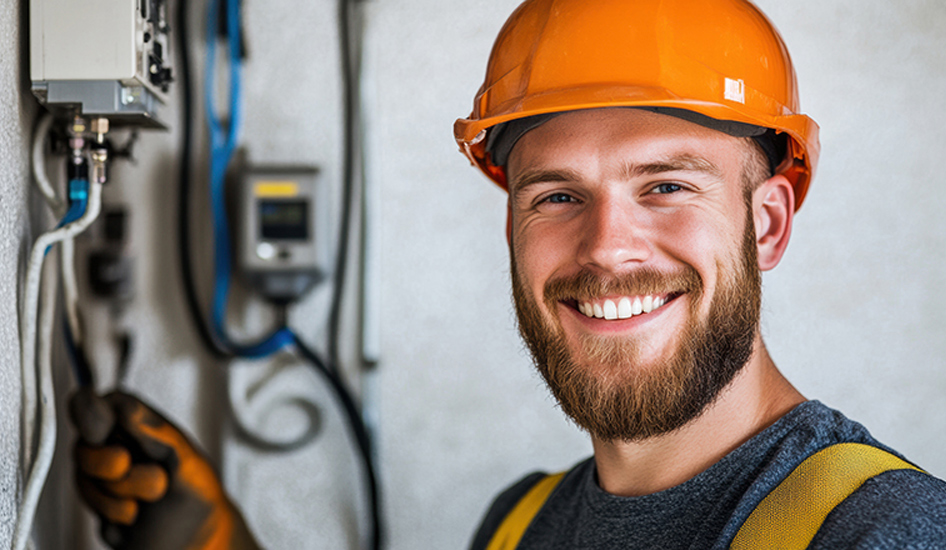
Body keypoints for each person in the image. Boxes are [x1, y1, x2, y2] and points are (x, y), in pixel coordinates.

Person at [70, 0, 946, 548]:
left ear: (766, 223)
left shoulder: (881, 532)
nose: (607, 248)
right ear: (512, 226)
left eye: (667, 186)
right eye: (557, 196)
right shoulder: (520, 527)